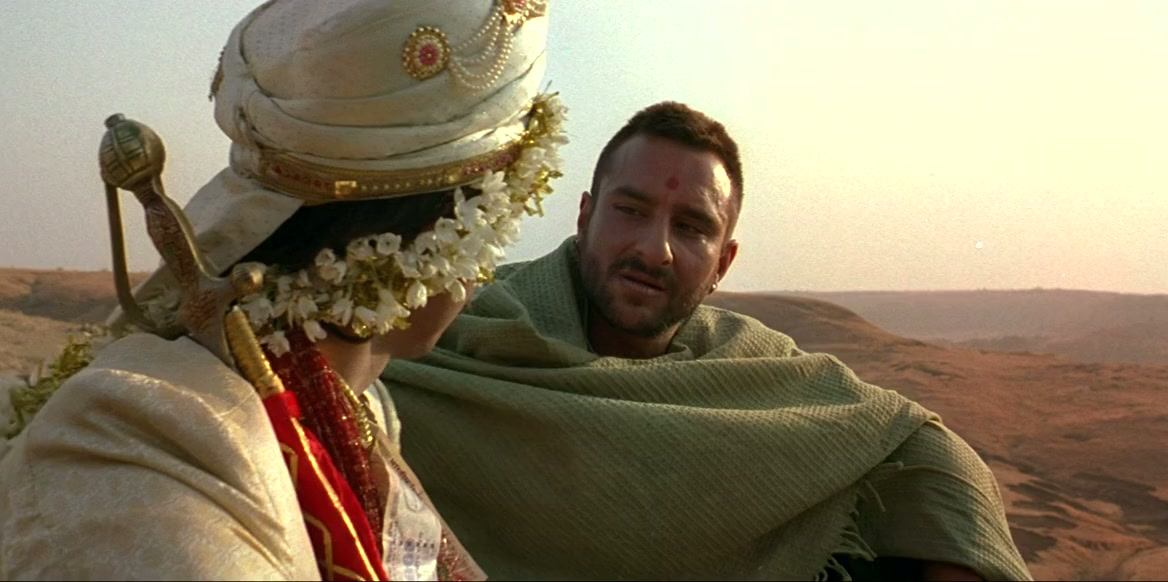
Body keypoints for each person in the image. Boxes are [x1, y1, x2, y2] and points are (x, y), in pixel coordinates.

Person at [0, 0, 565, 580]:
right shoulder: (149, 434)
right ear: (440, 241)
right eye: (498, 218)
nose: (487, 266)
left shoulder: (357, 401)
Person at [381, 102, 1033, 581]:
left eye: (692, 227)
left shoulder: (753, 373)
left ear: (723, 262)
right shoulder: (451, 328)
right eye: (631, 211)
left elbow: (912, 442)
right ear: (584, 216)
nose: (654, 250)